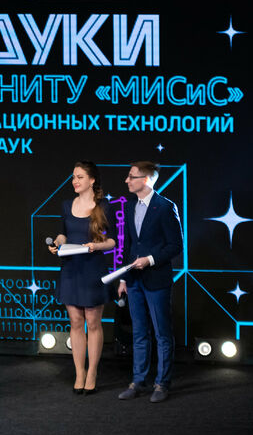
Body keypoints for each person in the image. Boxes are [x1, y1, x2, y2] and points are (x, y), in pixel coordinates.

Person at [116, 161, 183, 403]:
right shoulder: (130, 206)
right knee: (139, 332)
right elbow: (128, 246)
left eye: (131, 176)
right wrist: (123, 277)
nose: (127, 180)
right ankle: (138, 381)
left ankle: (162, 383)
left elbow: (176, 245)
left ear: (145, 180)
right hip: (134, 281)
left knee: (162, 333)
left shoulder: (165, 207)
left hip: (157, 279)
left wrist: (150, 260)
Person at [49, 161, 115, 395]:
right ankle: (79, 373)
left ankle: (92, 372)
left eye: (79, 177)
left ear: (92, 180)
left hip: (92, 269)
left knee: (93, 323)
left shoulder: (104, 206)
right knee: (76, 322)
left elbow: (112, 241)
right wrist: (57, 243)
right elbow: (63, 234)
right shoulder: (67, 205)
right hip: (70, 269)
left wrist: (95, 246)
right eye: (73, 177)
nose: (75, 181)